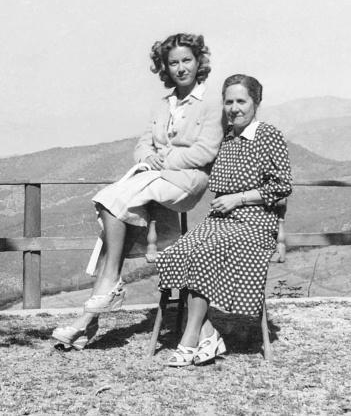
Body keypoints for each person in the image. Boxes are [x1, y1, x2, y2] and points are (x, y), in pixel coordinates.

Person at [52, 33, 224, 350]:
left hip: (187, 182)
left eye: (187, 60)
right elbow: (143, 144)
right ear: (165, 68)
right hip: (155, 180)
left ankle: (108, 289)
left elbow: (206, 151)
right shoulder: (162, 106)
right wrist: (148, 157)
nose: (181, 68)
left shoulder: (211, 104)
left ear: (199, 61)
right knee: (121, 214)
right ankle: (89, 317)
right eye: (173, 63)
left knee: (111, 198)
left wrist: (166, 160)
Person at [155, 74, 293, 367]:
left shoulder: (268, 136)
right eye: (228, 101)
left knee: (204, 252)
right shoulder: (226, 138)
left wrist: (239, 198)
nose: (234, 108)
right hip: (218, 221)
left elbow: (282, 185)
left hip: (254, 223)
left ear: (256, 102)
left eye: (241, 101)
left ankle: (189, 337)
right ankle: (209, 335)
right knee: (181, 251)